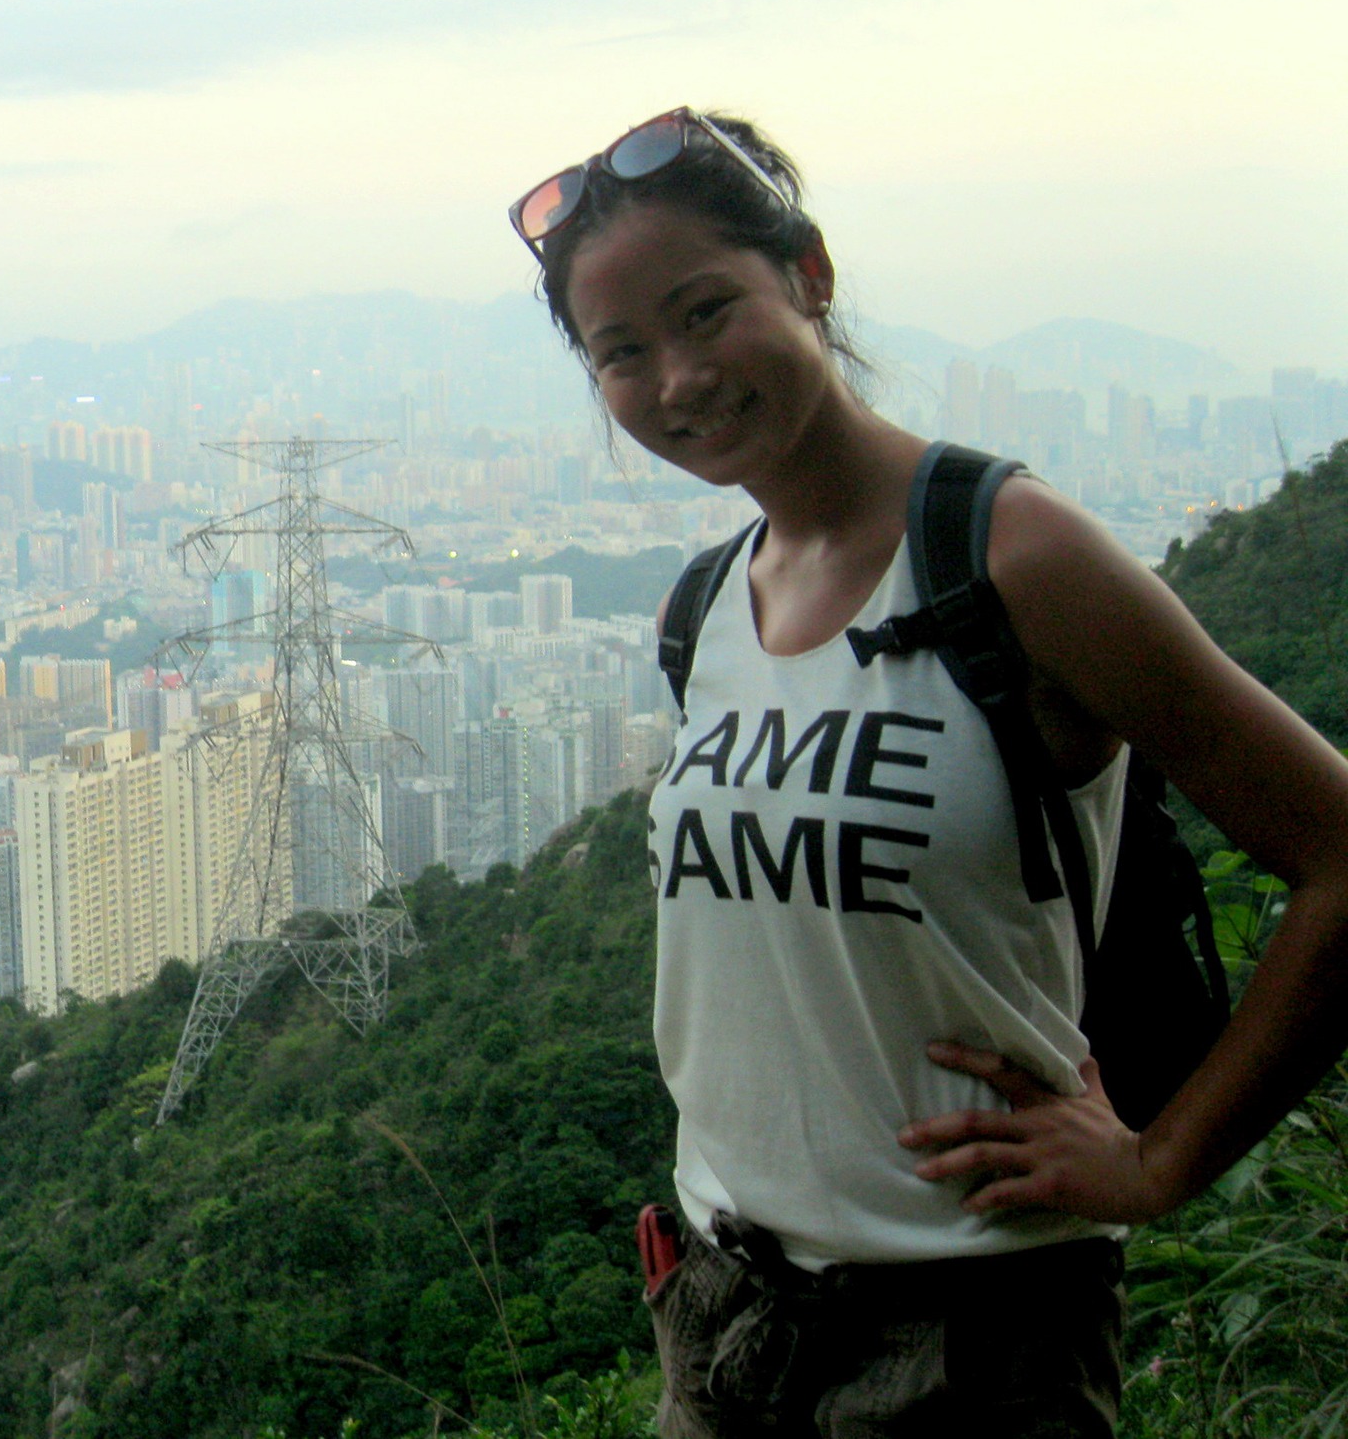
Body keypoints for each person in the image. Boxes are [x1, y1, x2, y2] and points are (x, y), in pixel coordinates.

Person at [506, 108, 1348, 1436]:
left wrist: (1159, 1160)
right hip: (722, 1329)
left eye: (707, 309)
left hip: (971, 1346)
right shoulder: (704, 610)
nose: (677, 378)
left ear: (811, 278)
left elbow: (1339, 852)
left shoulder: (1011, 556)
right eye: (623, 351)